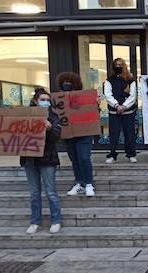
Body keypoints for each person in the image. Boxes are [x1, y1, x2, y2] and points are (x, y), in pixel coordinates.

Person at [21, 88, 62, 233]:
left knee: (51, 192)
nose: (45, 102)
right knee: (34, 193)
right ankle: (35, 221)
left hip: (47, 159)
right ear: (35, 101)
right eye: (42, 100)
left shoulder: (53, 117)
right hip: (30, 160)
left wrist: (50, 128)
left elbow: (57, 136)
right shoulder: (25, 116)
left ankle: (56, 220)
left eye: (47, 100)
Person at [60, 72, 96, 197]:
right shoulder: (58, 99)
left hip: (84, 134)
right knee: (74, 159)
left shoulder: (84, 97)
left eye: (69, 82)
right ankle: (79, 183)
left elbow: (92, 112)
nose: (67, 84)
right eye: (64, 82)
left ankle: (89, 183)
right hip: (69, 134)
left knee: (84, 157)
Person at [104, 58, 138, 164]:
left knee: (130, 134)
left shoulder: (131, 80)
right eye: (116, 64)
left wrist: (124, 106)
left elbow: (133, 96)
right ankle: (112, 155)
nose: (118, 66)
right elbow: (108, 95)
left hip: (128, 112)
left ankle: (131, 154)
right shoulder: (109, 80)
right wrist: (116, 105)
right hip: (114, 112)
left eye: (120, 64)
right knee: (114, 134)